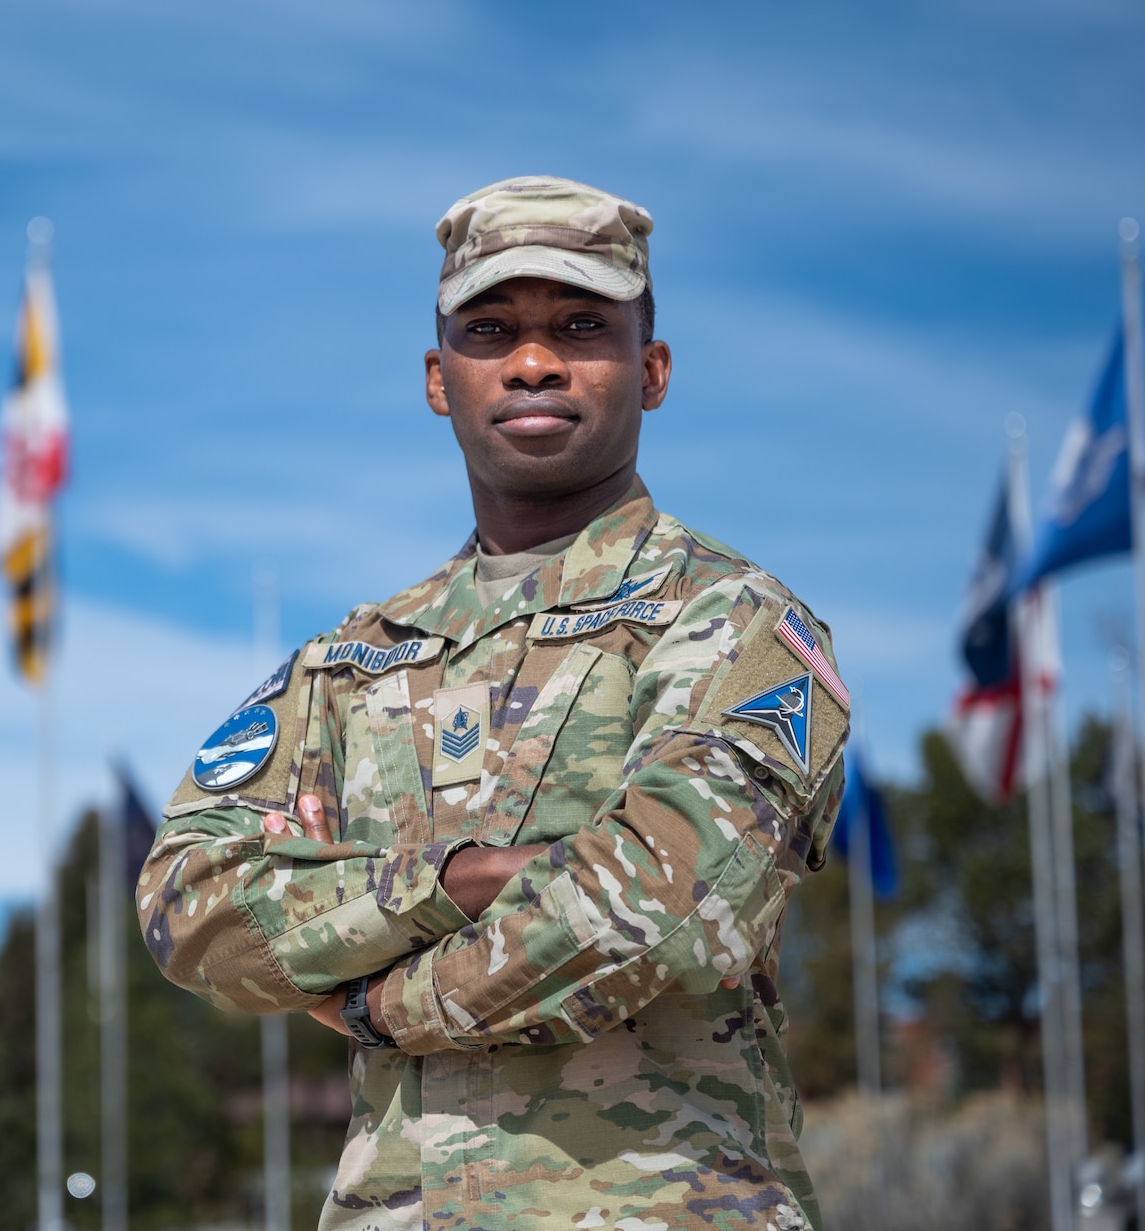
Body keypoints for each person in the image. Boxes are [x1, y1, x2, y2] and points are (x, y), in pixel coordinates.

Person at [139, 176, 850, 1230]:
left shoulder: (730, 620)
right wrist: (460, 879)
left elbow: (664, 909)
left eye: (578, 326)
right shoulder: (348, 664)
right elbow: (187, 902)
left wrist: (375, 1002)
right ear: (438, 379)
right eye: (489, 330)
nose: (531, 360)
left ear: (650, 371)